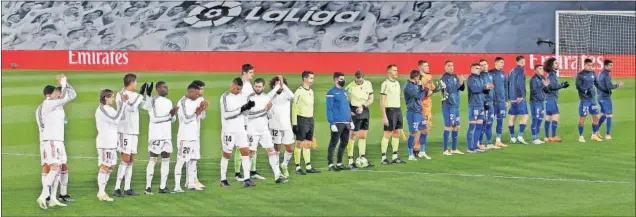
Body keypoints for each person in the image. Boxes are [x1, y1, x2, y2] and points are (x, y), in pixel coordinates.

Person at [35, 74, 76, 209]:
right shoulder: (48, 103)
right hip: (51, 140)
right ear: (49, 94)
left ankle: (53, 198)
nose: (59, 93)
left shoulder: (58, 105)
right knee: (55, 166)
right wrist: (63, 82)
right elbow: (64, 97)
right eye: (56, 91)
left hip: (59, 140)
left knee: (59, 167)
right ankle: (43, 195)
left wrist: (67, 84)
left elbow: (72, 95)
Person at [247, 78, 287, 184]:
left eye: (259, 86)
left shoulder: (266, 98)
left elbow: (269, 116)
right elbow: (249, 115)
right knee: (251, 153)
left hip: (264, 130)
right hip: (252, 130)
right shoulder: (249, 98)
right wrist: (264, 110)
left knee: (271, 151)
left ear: (263, 87)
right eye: (256, 86)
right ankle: (247, 178)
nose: (257, 88)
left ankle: (277, 176)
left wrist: (268, 110)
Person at [113, 73, 147, 197]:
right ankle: (117, 187)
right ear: (132, 82)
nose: (136, 84)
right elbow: (132, 107)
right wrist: (140, 96)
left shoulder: (135, 95)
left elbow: (146, 107)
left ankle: (127, 187)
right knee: (125, 159)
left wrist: (147, 96)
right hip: (124, 130)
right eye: (135, 82)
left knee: (131, 159)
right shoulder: (121, 94)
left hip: (134, 131)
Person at [219, 78, 257, 187]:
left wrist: (248, 107)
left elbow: (245, 114)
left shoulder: (242, 96)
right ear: (232, 85)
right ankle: (223, 180)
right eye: (237, 89)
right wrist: (242, 108)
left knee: (245, 153)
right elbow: (226, 115)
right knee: (227, 154)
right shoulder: (225, 97)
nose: (238, 91)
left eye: (240, 89)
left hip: (240, 130)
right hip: (229, 131)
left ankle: (247, 179)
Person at [144, 82, 179, 194]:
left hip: (166, 135)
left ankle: (162, 187)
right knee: (153, 159)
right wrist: (169, 116)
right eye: (164, 87)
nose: (167, 89)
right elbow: (154, 119)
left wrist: (173, 115)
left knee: (166, 160)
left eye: (167, 87)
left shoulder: (169, 102)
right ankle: (148, 187)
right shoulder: (152, 101)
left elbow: (173, 120)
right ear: (158, 89)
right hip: (156, 135)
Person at [174, 83, 209, 192]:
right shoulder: (182, 102)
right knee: (181, 160)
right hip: (185, 137)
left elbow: (202, 117)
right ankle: (177, 186)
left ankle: (191, 183)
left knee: (193, 160)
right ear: (190, 92)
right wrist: (198, 110)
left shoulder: (197, 100)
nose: (198, 95)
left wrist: (203, 108)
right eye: (196, 93)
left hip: (194, 136)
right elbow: (186, 118)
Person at [95, 89, 128, 202]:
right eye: (111, 97)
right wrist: (123, 105)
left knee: (111, 166)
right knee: (105, 166)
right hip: (105, 143)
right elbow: (115, 120)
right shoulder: (101, 110)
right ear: (106, 98)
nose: (113, 99)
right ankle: (101, 192)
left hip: (112, 143)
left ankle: (102, 191)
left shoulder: (110, 109)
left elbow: (119, 118)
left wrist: (121, 105)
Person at [292, 71, 320, 175]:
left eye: (313, 78)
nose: (312, 80)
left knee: (308, 143)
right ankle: (298, 167)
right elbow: (294, 108)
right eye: (311, 78)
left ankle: (308, 166)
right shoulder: (299, 92)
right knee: (299, 143)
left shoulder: (311, 91)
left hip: (309, 120)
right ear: (305, 79)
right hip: (301, 119)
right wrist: (294, 123)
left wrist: (312, 120)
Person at [344, 71, 374, 167]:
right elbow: (343, 102)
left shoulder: (368, 84)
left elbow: (371, 98)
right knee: (353, 135)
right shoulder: (349, 87)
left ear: (363, 78)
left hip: (364, 110)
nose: (358, 81)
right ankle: (350, 160)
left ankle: (362, 158)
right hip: (354, 112)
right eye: (357, 80)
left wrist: (363, 106)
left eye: (360, 80)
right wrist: (349, 111)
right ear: (354, 78)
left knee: (363, 135)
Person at [267, 75, 295, 178]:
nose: (278, 87)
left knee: (289, 148)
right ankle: (277, 169)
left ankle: (284, 164)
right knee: (276, 148)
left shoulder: (286, 95)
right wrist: (276, 87)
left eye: (280, 85)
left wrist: (283, 85)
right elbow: (269, 114)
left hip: (286, 126)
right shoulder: (270, 96)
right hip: (274, 126)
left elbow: (292, 96)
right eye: (276, 85)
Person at [326, 72, 354, 171]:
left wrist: (350, 121)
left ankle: (339, 163)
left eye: (343, 78)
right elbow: (329, 109)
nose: (343, 80)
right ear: (336, 79)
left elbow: (347, 107)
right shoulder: (331, 93)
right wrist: (331, 123)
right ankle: (330, 165)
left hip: (346, 122)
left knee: (344, 142)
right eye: (341, 79)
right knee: (333, 143)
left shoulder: (344, 92)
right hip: (337, 123)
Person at [235, 64, 258, 181]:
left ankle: (251, 171)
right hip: (241, 118)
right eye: (250, 72)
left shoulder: (248, 84)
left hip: (249, 118)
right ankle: (237, 173)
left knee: (251, 143)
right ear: (244, 72)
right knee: (241, 144)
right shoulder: (239, 84)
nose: (252, 74)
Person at [380, 64, 405, 164]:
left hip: (398, 110)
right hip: (389, 110)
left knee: (396, 132)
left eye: (397, 70)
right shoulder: (385, 84)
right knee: (388, 133)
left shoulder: (398, 83)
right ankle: (383, 157)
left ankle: (395, 156)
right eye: (394, 70)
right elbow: (382, 101)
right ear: (389, 72)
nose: (396, 72)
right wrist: (384, 116)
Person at [440, 60, 466, 155]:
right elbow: (449, 90)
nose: (451, 67)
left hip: (455, 106)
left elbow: (461, 89)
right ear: (445, 67)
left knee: (456, 126)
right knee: (448, 126)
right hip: (448, 106)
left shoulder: (455, 77)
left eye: (452, 65)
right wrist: (460, 82)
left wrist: (462, 82)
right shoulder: (443, 79)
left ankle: (454, 149)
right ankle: (445, 150)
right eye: (449, 66)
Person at [404, 69, 431, 160]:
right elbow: (419, 96)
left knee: (424, 131)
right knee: (413, 133)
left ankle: (422, 152)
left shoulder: (416, 85)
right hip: (412, 113)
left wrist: (423, 88)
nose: (420, 79)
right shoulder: (409, 87)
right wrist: (426, 88)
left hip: (418, 113)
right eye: (419, 78)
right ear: (415, 77)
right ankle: (410, 155)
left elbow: (421, 93)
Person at [467, 63, 493, 153]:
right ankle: (470, 147)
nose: (479, 69)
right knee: (472, 127)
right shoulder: (471, 78)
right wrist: (485, 87)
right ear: (472, 69)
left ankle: (475, 146)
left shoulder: (480, 78)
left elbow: (483, 91)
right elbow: (474, 90)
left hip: (481, 105)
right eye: (477, 68)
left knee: (479, 126)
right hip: (473, 105)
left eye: (479, 68)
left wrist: (487, 89)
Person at [576, 59, 603, 142]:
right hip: (584, 99)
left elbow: (596, 84)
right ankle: (581, 136)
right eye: (588, 65)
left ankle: (594, 135)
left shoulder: (593, 73)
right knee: (583, 118)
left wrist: (603, 89)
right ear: (584, 65)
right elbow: (578, 86)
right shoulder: (580, 75)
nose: (590, 67)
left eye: (591, 65)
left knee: (596, 117)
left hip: (592, 99)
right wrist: (585, 91)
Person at [596, 59, 624, 140]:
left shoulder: (600, 73)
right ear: (606, 66)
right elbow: (609, 86)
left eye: (612, 65)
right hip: (605, 98)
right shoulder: (606, 74)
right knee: (609, 115)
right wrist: (618, 85)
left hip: (600, 97)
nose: (612, 67)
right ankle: (608, 134)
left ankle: (595, 130)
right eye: (610, 65)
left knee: (604, 114)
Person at [543, 57, 570, 142]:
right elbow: (552, 86)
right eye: (555, 63)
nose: (558, 64)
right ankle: (553, 136)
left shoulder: (551, 74)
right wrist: (561, 85)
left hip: (548, 99)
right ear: (551, 65)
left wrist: (560, 85)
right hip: (551, 98)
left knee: (548, 117)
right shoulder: (552, 74)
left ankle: (546, 137)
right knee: (556, 115)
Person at [414, 60, 435, 159]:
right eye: (426, 66)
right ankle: (417, 149)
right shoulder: (420, 79)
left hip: (428, 106)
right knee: (423, 128)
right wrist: (431, 92)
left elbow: (432, 90)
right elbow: (422, 95)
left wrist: (437, 88)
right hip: (423, 106)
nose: (428, 67)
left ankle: (419, 149)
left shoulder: (429, 77)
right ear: (420, 67)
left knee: (426, 128)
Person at [507, 56, 529, 145]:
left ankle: (512, 137)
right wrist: (520, 95)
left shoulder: (511, 71)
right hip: (519, 98)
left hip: (512, 98)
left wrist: (509, 97)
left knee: (512, 117)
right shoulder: (521, 70)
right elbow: (519, 83)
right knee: (525, 116)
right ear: (522, 61)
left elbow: (508, 84)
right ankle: (520, 136)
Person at [478, 59, 499, 150]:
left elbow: (492, 89)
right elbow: (480, 90)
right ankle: (480, 143)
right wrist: (484, 102)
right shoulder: (479, 77)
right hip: (484, 104)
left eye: (485, 64)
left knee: (490, 123)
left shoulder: (490, 75)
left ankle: (490, 143)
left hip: (491, 103)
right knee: (483, 124)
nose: (484, 66)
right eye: (482, 65)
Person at [490, 57, 509, 148]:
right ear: (496, 63)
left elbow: (506, 88)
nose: (503, 64)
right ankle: (487, 141)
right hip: (492, 101)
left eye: (503, 62)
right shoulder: (490, 73)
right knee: (489, 121)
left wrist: (506, 100)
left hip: (501, 101)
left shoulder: (503, 74)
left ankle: (498, 140)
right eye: (501, 62)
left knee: (500, 120)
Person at [529, 65, 551, 144]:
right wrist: (543, 86)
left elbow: (547, 91)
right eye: (540, 69)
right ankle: (534, 138)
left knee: (540, 119)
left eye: (542, 68)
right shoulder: (533, 79)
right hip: (535, 102)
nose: (542, 70)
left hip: (541, 102)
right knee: (535, 119)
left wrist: (547, 86)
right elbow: (534, 91)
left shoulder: (543, 78)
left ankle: (537, 137)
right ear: (535, 70)